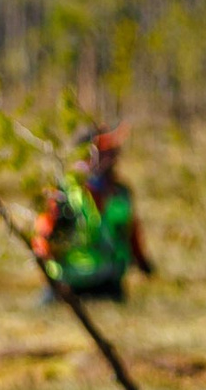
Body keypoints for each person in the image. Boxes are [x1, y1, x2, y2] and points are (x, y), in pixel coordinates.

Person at [32, 124, 154, 300]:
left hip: (108, 283)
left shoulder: (120, 192)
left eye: (113, 150)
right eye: (105, 151)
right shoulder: (62, 191)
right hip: (67, 283)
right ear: (86, 154)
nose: (113, 155)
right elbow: (42, 238)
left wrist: (142, 262)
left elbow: (131, 231)